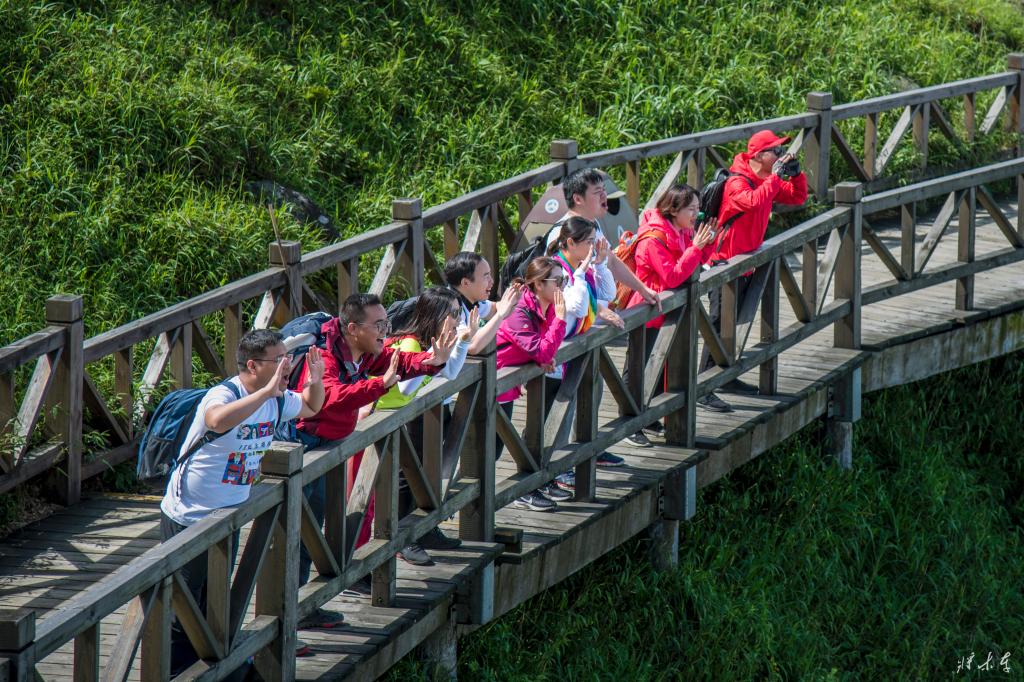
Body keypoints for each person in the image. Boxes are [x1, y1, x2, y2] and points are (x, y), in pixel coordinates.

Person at [160, 329, 326, 667]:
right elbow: (216, 420)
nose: (287, 365)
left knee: (215, 602)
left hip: (228, 515)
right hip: (188, 515)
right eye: (278, 359)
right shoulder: (225, 393)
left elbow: (311, 406)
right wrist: (265, 393)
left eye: (287, 358)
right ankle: (178, 672)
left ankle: (211, 667)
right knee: (183, 608)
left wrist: (316, 379)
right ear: (252, 365)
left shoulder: (277, 399)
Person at [292, 293, 456, 608]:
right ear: (353, 328)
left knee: (321, 525)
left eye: (386, 323)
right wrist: (380, 384)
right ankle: (301, 608)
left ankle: (312, 602)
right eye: (378, 325)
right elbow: (331, 398)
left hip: (331, 446)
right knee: (301, 532)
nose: (386, 331)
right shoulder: (324, 355)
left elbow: (398, 363)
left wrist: (431, 360)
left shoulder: (362, 351)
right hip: (305, 448)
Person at [698, 130, 808, 413]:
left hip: (747, 265)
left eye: (781, 151)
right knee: (718, 325)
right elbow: (753, 201)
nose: (780, 155)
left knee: (734, 324)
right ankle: (703, 388)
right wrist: (776, 177)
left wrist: (796, 175)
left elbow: (798, 198)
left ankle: (725, 377)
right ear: (759, 155)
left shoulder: (765, 179)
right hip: (724, 266)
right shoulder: (737, 182)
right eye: (776, 151)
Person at [374, 287, 473, 566]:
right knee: (405, 479)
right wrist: (433, 354)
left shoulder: (432, 342)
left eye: (459, 312)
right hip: (388, 419)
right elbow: (405, 389)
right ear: (436, 315)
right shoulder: (411, 344)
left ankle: (423, 530)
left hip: (409, 415)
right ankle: (403, 539)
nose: (457, 319)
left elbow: (450, 373)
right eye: (453, 313)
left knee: (422, 475)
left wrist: (462, 341)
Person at [620, 184, 717, 447]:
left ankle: (650, 416)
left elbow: (693, 265)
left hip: (667, 312)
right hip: (645, 312)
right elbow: (673, 277)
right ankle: (628, 425)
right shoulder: (653, 238)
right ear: (674, 210)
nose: (696, 214)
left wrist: (707, 244)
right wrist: (696, 247)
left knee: (661, 367)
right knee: (638, 368)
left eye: (698, 208)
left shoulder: (682, 230)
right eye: (691, 209)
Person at [544, 216, 625, 486]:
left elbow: (608, 294)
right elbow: (577, 307)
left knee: (582, 397)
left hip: (574, 346)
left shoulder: (580, 266)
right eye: (589, 241)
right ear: (570, 243)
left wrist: (599, 264)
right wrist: (581, 272)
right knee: (556, 413)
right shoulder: (556, 270)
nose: (594, 246)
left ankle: (573, 458)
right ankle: (552, 471)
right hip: (555, 352)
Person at [495, 257, 568, 511]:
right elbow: (543, 350)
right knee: (489, 450)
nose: (562, 286)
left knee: (499, 447)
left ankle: (529, 486)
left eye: (564, 280)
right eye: (558, 280)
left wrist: (542, 356)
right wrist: (560, 321)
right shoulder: (519, 310)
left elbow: (544, 348)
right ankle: (513, 495)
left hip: (508, 384)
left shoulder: (545, 306)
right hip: (493, 384)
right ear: (538, 284)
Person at [549, 168, 661, 311]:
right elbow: (560, 290)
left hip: (598, 315)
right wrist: (600, 311)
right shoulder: (562, 232)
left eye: (604, 189)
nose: (604, 195)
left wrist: (642, 289)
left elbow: (612, 261)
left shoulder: (591, 223)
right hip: (580, 321)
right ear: (578, 199)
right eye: (597, 192)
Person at [444, 251, 524, 354]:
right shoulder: (449, 306)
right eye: (486, 276)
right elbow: (471, 346)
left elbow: (495, 310)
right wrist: (501, 314)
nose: (492, 281)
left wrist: (512, 300)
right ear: (466, 283)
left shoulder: (470, 298)